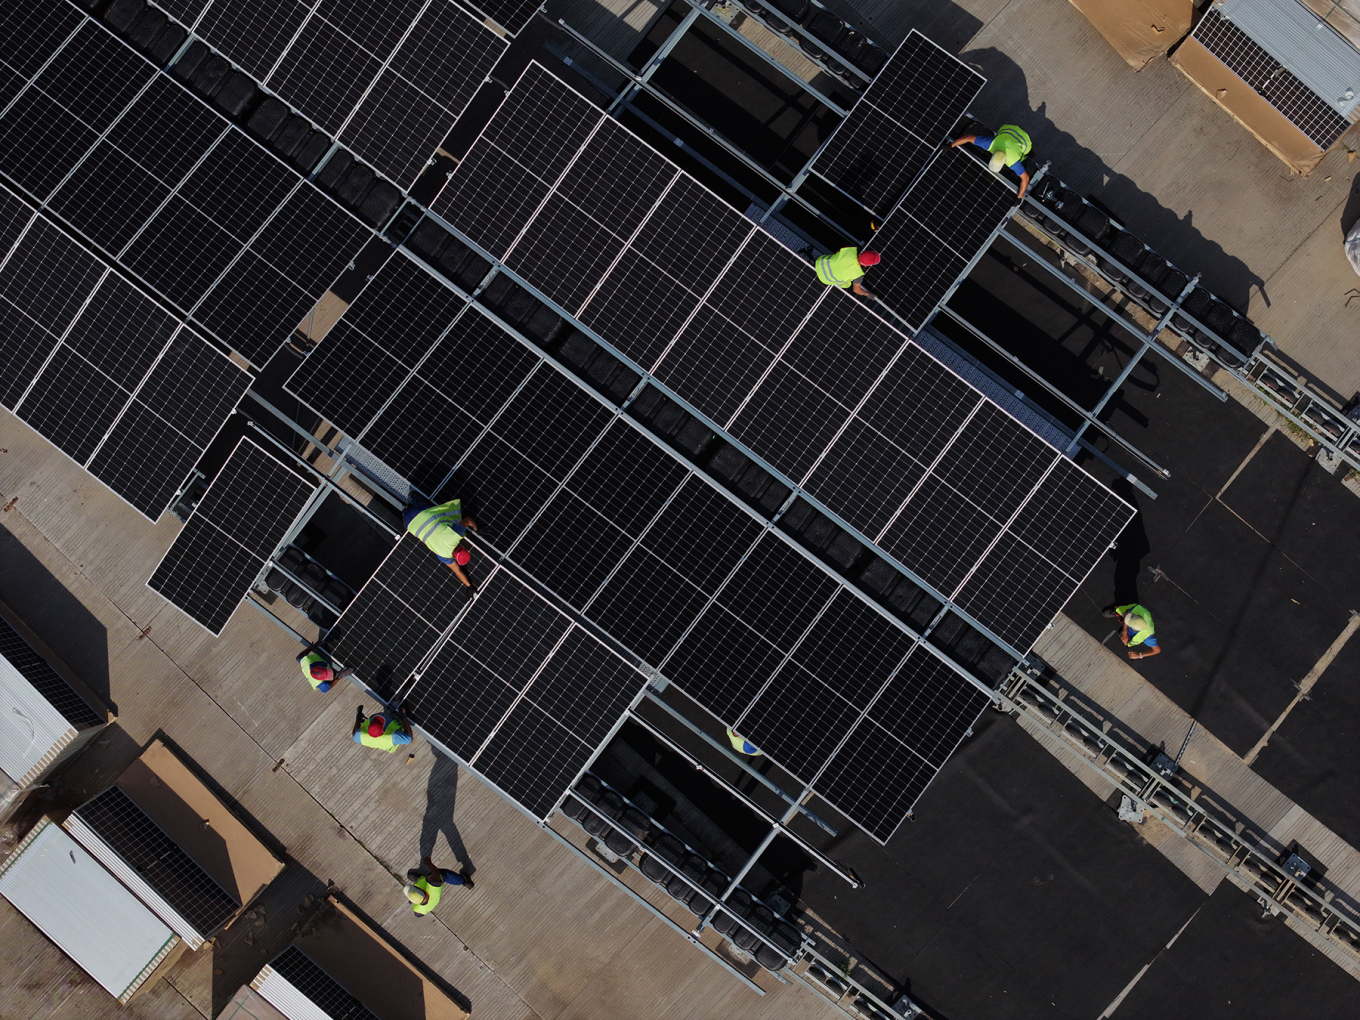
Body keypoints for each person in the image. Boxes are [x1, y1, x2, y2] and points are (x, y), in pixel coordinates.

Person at [403, 497, 479, 587]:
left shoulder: (454, 535)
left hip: (421, 511)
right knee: (406, 515)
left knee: (421, 502)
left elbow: (468, 520)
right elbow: (457, 571)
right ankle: (405, 510)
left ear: (464, 548)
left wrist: (477, 529)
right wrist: (469, 586)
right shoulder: (444, 555)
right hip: (410, 524)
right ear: (455, 557)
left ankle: (414, 497)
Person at [950, 125, 1032, 200]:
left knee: (1022, 158)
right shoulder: (991, 144)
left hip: (1022, 138)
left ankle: (1029, 153)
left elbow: (1026, 178)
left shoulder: (1013, 161)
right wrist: (951, 145)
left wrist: (1020, 197)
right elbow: (968, 137)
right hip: (1009, 129)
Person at [405, 855, 473, 915]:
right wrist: (429, 863)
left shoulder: (418, 910)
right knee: (444, 874)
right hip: (437, 879)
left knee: (410, 876)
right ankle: (464, 880)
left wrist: (414, 900)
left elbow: (418, 915)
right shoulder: (433, 885)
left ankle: (422, 878)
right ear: (422, 890)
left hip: (427, 888)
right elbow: (436, 871)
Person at [814, 246, 879, 297]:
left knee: (836, 256)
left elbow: (838, 252)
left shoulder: (851, 250)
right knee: (847, 284)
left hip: (820, 263)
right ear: (866, 265)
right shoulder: (858, 274)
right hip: (825, 279)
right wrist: (868, 294)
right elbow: (856, 290)